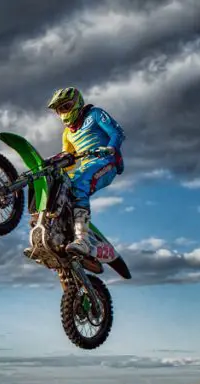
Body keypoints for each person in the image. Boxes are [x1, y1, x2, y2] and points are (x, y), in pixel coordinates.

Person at [44, 86, 125, 257]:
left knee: (80, 183)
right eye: (60, 110)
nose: (64, 112)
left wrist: (110, 148)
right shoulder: (67, 133)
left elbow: (117, 132)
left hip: (105, 161)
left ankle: (83, 239)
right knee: (58, 186)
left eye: (66, 106)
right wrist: (53, 164)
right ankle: (55, 234)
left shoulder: (94, 114)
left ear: (77, 103)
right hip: (85, 166)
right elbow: (69, 159)